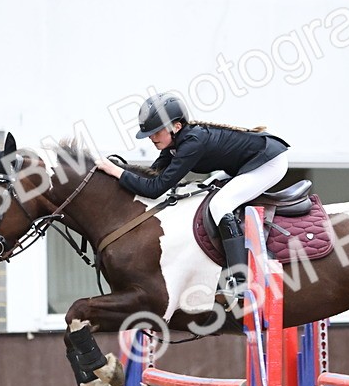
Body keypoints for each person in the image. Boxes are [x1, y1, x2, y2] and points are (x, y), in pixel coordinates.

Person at [93, 93, 289, 307]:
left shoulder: (192, 143)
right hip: (244, 165)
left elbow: (155, 189)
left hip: (268, 162)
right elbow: (154, 175)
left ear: (176, 126)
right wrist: (120, 170)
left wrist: (115, 172)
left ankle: (241, 279)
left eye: (156, 131)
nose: (152, 137)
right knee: (205, 192)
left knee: (220, 204)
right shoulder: (175, 143)